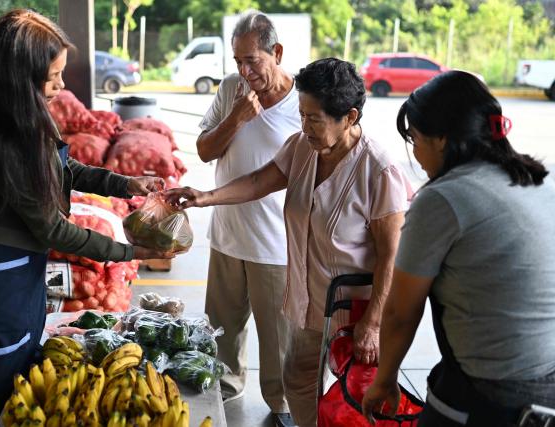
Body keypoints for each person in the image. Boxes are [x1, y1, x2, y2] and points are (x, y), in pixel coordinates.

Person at [0, 10, 171, 426]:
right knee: (2, 400)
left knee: (19, 389)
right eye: (53, 76)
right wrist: (127, 251)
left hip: (15, 274)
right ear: (20, 76)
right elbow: (53, 229)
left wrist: (124, 185)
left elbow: (64, 171)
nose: (62, 85)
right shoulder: (9, 138)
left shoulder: (21, 120)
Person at [167, 57, 411, 426]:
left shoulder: (378, 170)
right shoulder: (301, 148)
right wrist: (206, 197)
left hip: (356, 316)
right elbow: (258, 182)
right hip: (309, 304)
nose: (305, 126)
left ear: (350, 117)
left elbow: (391, 257)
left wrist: (374, 323)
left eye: (315, 118)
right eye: (302, 114)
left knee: (358, 403)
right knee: (298, 382)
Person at [362, 71, 555, 427]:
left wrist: (384, 381)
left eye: (415, 139)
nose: (415, 154)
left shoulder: (442, 200)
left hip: (494, 395)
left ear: (442, 140)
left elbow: (401, 314)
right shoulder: (538, 180)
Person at [194, 10, 300, 426]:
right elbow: (205, 150)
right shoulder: (230, 90)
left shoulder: (301, 103)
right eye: (237, 61)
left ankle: (284, 407)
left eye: (251, 60)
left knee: (278, 341)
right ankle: (224, 391)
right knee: (222, 331)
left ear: (276, 52)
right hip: (226, 234)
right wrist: (236, 116)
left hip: (274, 242)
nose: (244, 70)